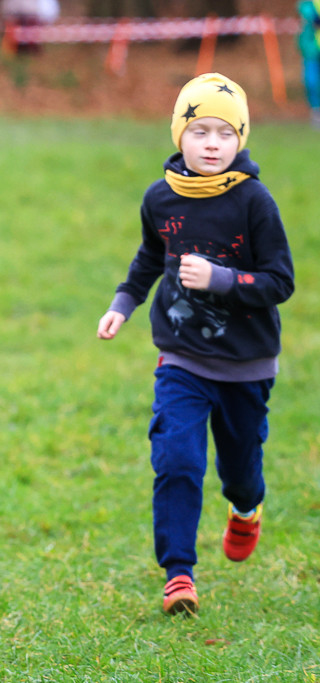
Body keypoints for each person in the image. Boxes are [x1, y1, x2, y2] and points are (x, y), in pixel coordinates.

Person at [96, 73, 294, 616]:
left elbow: (281, 281)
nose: (212, 144)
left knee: (240, 472)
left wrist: (223, 280)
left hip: (246, 364)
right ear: (178, 134)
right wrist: (122, 303)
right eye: (200, 130)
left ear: (241, 139)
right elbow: (148, 258)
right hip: (181, 355)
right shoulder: (160, 198)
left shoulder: (255, 202)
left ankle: (247, 508)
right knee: (177, 458)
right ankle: (178, 574)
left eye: (225, 134)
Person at [298, 1, 320, 127]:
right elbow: (307, 14)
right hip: (311, 48)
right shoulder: (308, 3)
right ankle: (316, 112)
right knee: (312, 81)